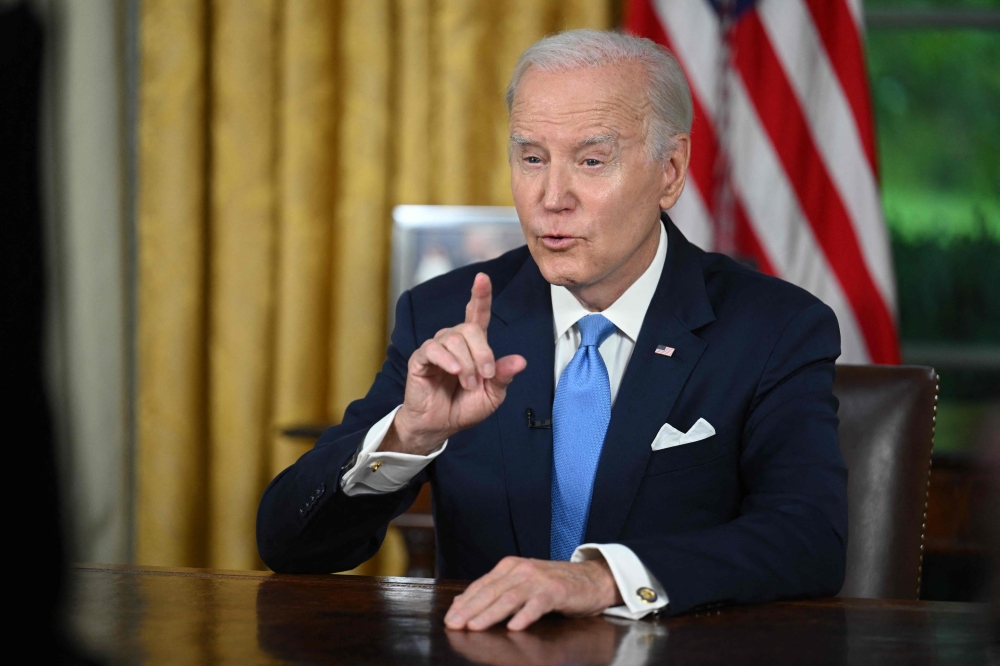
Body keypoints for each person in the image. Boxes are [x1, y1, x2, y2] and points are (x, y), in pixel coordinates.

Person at [256, 29, 847, 631]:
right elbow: (289, 547)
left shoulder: (774, 327)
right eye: (531, 158)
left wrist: (602, 578)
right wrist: (408, 435)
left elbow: (808, 537)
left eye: (592, 161)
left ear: (670, 172)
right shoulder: (445, 314)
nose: (551, 197)